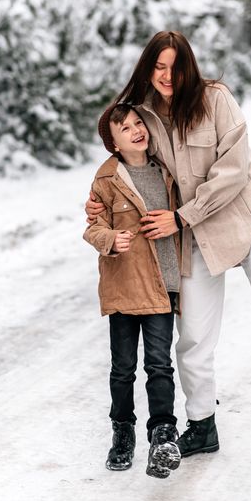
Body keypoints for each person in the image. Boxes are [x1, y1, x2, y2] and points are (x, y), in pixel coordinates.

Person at [86, 30, 251, 471]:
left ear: (190, 65)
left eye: (176, 65)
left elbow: (234, 169)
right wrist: (101, 197)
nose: (168, 76)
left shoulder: (216, 99)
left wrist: (183, 215)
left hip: (246, 223)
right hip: (194, 236)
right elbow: (121, 147)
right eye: (159, 66)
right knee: (192, 340)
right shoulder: (144, 114)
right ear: (149, 68)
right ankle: (202, 426)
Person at [83, 103, 182, 479]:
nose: (137, 130)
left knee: (160, 365)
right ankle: (122, 433)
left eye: (139, 123)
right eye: (125, 128)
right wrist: (110, 238)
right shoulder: (106, 180)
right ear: (114, 143)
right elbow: (92, 228)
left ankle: (163, 434)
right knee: (123, 369)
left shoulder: (167, 171)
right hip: (125, 287)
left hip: (161, 285)